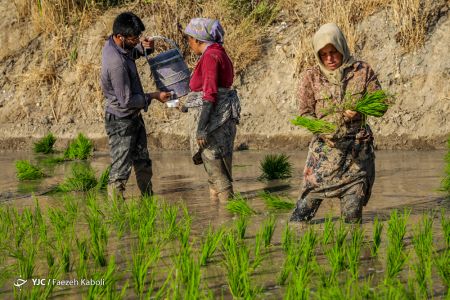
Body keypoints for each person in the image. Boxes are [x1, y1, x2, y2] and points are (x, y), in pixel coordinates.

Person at [290, 23, 382, 223]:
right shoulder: (311, 76)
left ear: (342, 47)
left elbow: (381, 105)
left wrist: (360, 109)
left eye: (333, 52)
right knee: (300, 218)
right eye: (323, 54)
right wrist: (324, 130)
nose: (329, 58)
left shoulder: (362, 71)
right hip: (324, 154)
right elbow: (305, 114)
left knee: (352, 220)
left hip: (357, 155)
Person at [101, 12, 171, 199]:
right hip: (121, 120)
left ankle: (148, 200)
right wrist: (154, 96)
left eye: (138, 37)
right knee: (120, 170)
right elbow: (127, 100)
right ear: (120, 37)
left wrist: (143, 48)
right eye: (134, 39)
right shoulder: (116, 64)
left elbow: (130, 52)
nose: (136, 41)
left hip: (133, 117)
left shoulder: (116, 45)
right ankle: (116, 212)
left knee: (142, 161)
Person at [181, 18, 241, 203]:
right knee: (217, 169)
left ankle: (227, 215)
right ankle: (216, 213)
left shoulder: (210, 57)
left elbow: (209, 95)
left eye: (189, 39)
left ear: (198, 40)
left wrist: (201, 128)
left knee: (214, 164)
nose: (189, 44)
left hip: (215, 119)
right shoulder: (220, 54)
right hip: (224, 116)